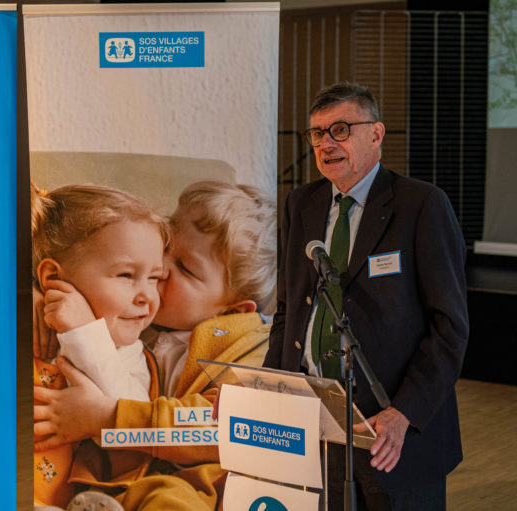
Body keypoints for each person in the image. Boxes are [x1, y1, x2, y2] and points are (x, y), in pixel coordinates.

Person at [263, 82, 468, 510]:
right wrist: (268, 387)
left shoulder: (421, 205)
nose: (325, 143)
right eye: (317, 133)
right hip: (315, 420)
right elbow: (288, 311)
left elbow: (449, 328)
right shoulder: (301, 204)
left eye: (340, 129)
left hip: (392, 430)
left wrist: (404, 413)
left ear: (375, 135)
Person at [34, 180, 277, 511]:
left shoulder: (249, 348)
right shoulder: (134, 316)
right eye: (165, 248)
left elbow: (219, 430)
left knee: (169, 499)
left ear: (233, 310)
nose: (160, 269)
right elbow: (65, 233)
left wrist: (106, 417)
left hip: (192, 482)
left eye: (185, 268)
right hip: (114, 477)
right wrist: (37, 292)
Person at [31, 183, 169, 509]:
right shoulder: (22, 317)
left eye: (155, 278)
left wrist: (86, 334)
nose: (147, 297)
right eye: (125, 275)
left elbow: (135, 435)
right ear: (52, 277)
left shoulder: (130, 355)